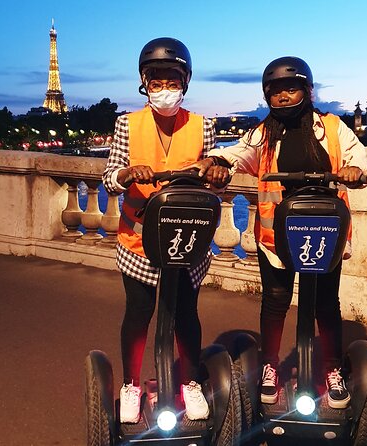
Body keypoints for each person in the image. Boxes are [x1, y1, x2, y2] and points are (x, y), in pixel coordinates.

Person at [192, 56, 367, 409]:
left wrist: (353, 169)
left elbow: (361, 158)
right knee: (275, 303)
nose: (283, 97)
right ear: (267, 97)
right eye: (275, 92)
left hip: (324, 233)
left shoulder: (332, 128)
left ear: (307, 90)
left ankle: (332, 369)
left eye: (291, 89)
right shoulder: (262, 134)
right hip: (275, 238)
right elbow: (236, 154)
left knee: (326, 303)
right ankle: (270, 367)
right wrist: (214, 164)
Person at [102, 37, 230, 424]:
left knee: (185, 313)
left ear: (185, 82)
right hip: (139, 238)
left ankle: (189, 381)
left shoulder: (203, 125)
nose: (163, 89)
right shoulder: (127, 124)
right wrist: (126, 174)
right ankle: (131, 385)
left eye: (171, 80)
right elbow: (109, 178)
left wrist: (218, 173)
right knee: (140, 311)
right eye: (155, 81)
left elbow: (211, 181)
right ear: (144, 83)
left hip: (186, 236)